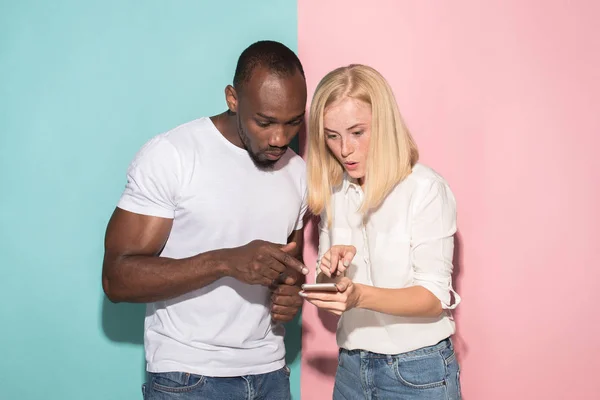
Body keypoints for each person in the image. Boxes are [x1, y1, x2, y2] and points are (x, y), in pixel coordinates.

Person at [102, 40, 310, 400]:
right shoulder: (173, 156)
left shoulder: (298, 172)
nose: (280, 139)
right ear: (233, 98)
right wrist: (225, 262)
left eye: (292, 123)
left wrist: (291, 293)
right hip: (188, 377)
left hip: (270, 374)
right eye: (265, 122)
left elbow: (290, 264)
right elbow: (116, 279)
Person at [301, 64, 462, 399]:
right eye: (332, 135)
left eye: (357, 132)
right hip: (350, 369)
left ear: (384, 124)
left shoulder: (425, 189)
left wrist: (359, 295)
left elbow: (433, 298)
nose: (344, 149)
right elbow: (330, 296)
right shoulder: (332, 193)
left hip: (418, 371)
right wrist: (331, 275)